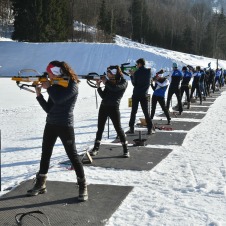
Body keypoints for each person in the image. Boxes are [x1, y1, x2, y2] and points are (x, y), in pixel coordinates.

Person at [27, 60, 88, 202]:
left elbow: (59, 100)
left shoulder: (72, 85)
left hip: (65, 125)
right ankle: (41, 183)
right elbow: (49, 108)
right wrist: (38, 94)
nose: (49, 76)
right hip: (51, 124)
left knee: (72, 156)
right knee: (45, 154)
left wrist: (48, 87)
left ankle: (83, 185)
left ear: (56, 73)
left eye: (50, 73)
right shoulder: (55, 86)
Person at [89, 65, 129, 158]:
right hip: (104, 107)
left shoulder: (123, 81)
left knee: (118, 129)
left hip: (114, 107)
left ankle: (126, 149)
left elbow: (115, 88)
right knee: (100, 129)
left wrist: (106, 82)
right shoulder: (109, 82)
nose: (107, 74)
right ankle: (96, 148)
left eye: (109, 72)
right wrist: (99, 86)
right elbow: (104, 96)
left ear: (114, 73)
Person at [127, 58, 154, 135]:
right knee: (146, 113)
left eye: (137, 64)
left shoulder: (136, 72)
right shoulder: (148, 72)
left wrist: (132, 76)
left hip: (136, 94)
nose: (137, 66)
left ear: (139, 64)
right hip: (144, 94)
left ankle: (131, 128)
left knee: (133, 112)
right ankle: (149, 128)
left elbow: (134, 84)